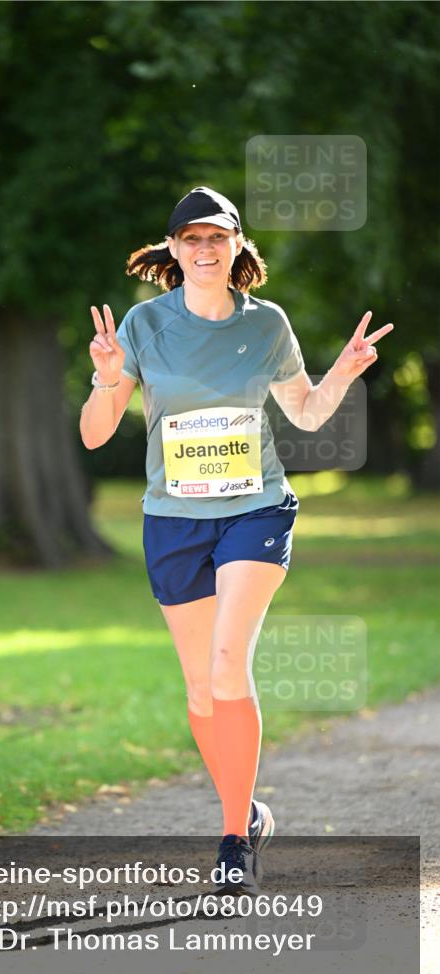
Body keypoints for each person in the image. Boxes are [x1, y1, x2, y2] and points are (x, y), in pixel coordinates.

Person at [79, 186, 393, 893]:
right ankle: (243, 808)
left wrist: (341, 373)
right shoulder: (142, 324)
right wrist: (104, 380)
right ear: (171, 252)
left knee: (228, 663)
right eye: (189, 239)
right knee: (198, 688)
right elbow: (95, 434)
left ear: (235, 248)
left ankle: (229, 846)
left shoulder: (267, 324)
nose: (202, 249)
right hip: (173, 519)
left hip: (255, 508)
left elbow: (306, 414)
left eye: (215, 237)